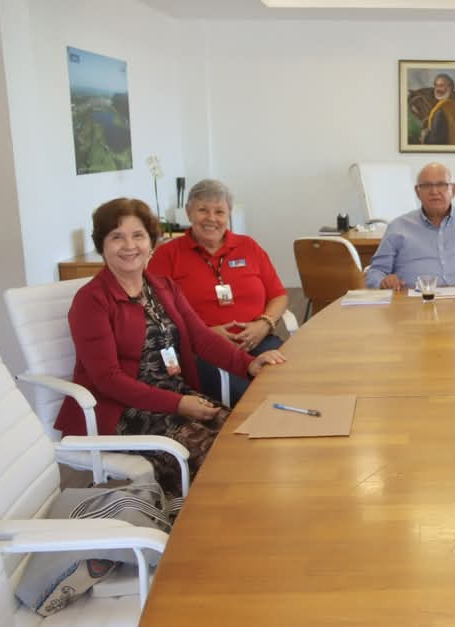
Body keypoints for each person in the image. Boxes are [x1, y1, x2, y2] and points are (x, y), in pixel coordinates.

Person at [55, 198, 285, 497]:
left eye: (138, 235)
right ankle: (193, 529)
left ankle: (245, 518)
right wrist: (178, 403)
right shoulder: (92, 301)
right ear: (102, 245)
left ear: (151, 241)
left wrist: (247, 364)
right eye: (116, 237)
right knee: (211, 458)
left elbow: (200, 337)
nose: (129, 245)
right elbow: (107, 380)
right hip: (122, 409)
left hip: (173, 395)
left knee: (243, 437)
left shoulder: (162, 287)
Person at [148, 179, 288, 406]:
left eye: (219, 212)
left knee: (291, 378)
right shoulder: (168, 255)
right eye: (202, 210)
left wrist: (264, 324)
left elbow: (278, 295)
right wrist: (204, 335)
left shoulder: (248, 246)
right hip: (203, 352)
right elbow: (157, 313)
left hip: (258, 341)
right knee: (249, 396)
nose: (211, 218)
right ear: (188, 213)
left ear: (229, 214)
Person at [364, 162, 455, 290]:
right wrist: (383, 281)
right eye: (427, 185)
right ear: (417, 191)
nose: (434, 191)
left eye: (441, 184)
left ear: (453, 190)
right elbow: (376, 271)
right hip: (414, 306)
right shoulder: (398, 227)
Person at [421, 73, 455, 145]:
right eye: (436, 86)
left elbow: (436, 142)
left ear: (450, 87)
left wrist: (425, 136)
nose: (437, 89)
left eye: (441, 86)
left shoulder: (441, 111)